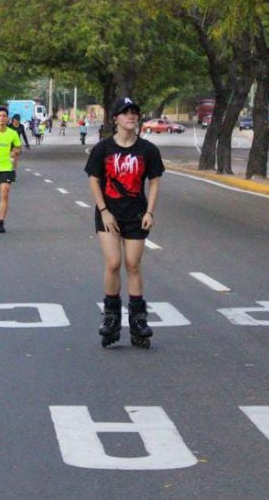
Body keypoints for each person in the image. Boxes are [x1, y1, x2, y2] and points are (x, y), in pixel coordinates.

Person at [85, 97, 163, 349]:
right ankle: (111, 317)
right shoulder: (103, 149)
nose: (131, 116)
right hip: (109, 213)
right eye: (125, 113)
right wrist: (104, 210)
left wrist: (149, 212)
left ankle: (139, 319)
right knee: (113, 262)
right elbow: (94, 180)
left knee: (133, 264)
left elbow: (154, 182)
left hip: (136, 214)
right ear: (115, 118)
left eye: (134, 113)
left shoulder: (147, 150)